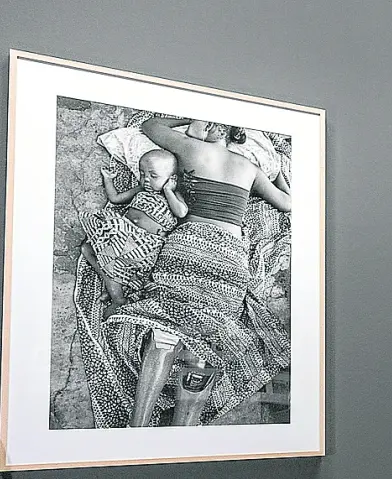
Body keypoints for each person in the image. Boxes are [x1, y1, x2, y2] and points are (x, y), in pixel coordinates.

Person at [90, 117, 292, 428]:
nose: (189, 128)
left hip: (189, 247)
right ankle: (183, 435)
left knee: (165, 332)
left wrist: (184, 122)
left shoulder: (192, 149)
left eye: (196, 122)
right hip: (230, 259)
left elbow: (150, 126)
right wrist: (277, 173)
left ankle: (136, 427)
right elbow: (287, 203)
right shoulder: (250, 168)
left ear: (214, 127)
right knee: (204, 344)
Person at [79, 149, 188, 316]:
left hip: (143, 245)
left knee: (111, 258)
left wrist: (168, 190)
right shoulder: (140, 190)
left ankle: (118, 298)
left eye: (153, 176)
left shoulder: (172, 195)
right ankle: (113, 281)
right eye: (142, 174)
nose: (146, 179)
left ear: (171, 179)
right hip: (122, 233)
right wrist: (108, 179)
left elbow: (181, 212)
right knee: (86, 248)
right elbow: (115, 198)